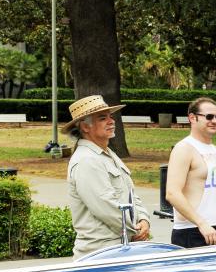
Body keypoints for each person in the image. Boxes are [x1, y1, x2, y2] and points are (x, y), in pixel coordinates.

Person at [64, 94, 151, 259]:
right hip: (101, 255)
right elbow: (107, 208)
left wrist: (144, 220)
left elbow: (131, 196)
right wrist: (136, 230)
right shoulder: (86, 160)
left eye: (111, 117)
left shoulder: (107, 154)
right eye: (103, 118)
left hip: (120, 249)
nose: (111, 121)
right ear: (85, 127)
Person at [166, 97, 216, 247]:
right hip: (193, 231)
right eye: (209, 116)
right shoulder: (184, 148)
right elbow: (172, 193)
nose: (215, 121)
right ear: (192, 118)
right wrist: (201, 224)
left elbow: (210, 187)